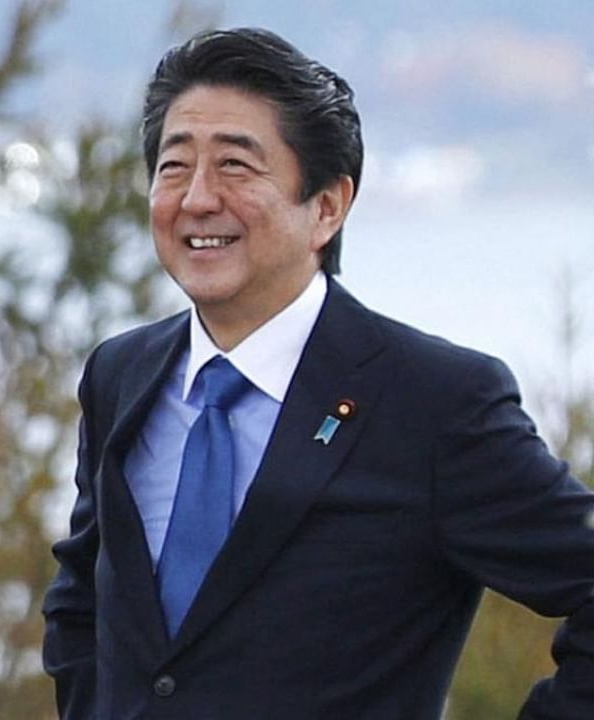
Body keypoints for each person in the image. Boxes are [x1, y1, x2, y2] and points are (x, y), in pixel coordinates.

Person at [42, 27, 594, 719]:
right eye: (174, 166)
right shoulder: (121, 374)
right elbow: (83, 598)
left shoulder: (434, 401)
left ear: (328, 206)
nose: (198, 198)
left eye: (237, 166)